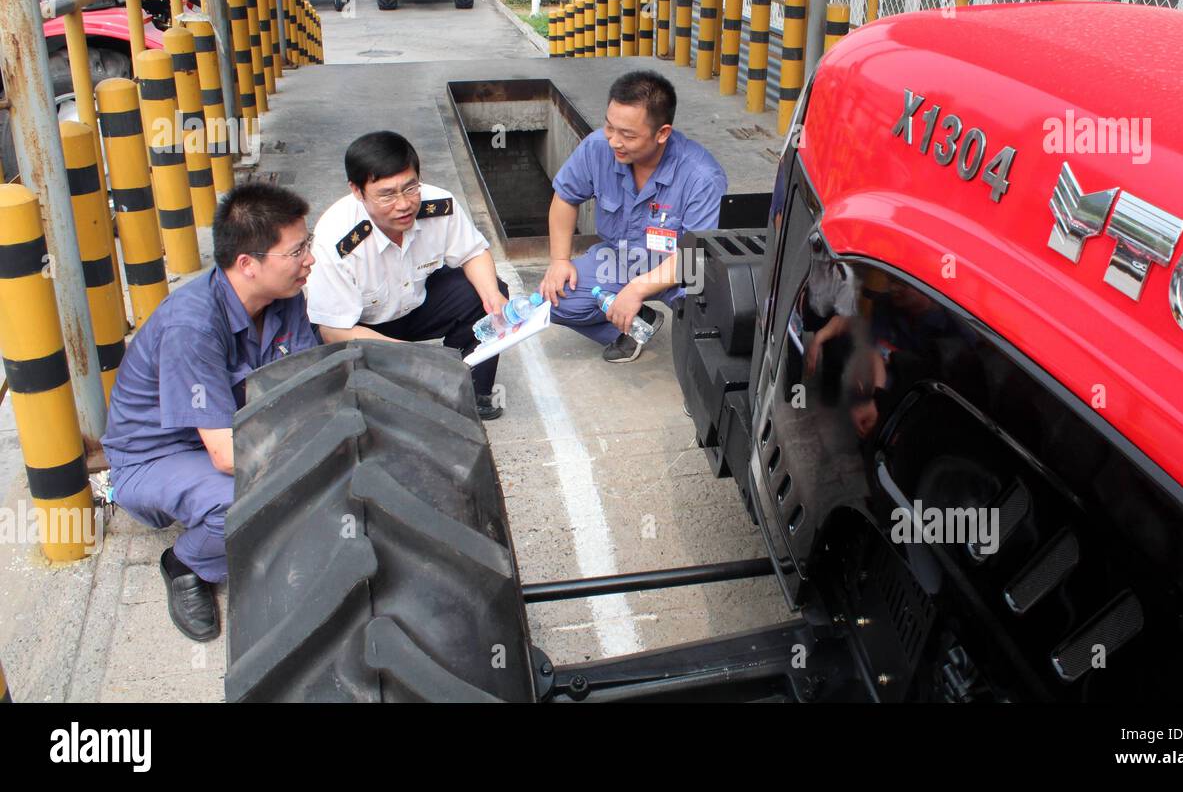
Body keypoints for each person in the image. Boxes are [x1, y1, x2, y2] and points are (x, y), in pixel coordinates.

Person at [102, 182, 319, 642]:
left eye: (308, 244)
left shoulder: (287, 296)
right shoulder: (193, 324)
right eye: (297, 250)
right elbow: (224, 455)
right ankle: (186, 564)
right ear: (247, 264)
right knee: (239, 498)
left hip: (228, 429)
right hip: (156, 455)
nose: (309, 259)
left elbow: (305, 383)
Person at [305, 130, 509, 418]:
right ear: (357, 191)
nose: (403, 204)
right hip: (360, 327)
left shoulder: (439, 206)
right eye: (386, 194)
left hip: (415, 305)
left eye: (410, 188)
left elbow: (473, 253)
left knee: (486, 294)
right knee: (370, 412)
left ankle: (470, 393)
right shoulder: (337, 239)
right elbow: (333, 330)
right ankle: (418, 382)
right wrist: (417, 359)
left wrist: (494, 300)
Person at [540, 70, 727, 362]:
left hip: (680, 273)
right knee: (553, 299)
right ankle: (634, 326)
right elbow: (565, 198)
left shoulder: (701, 176)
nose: (614, 141)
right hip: (620, 259)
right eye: (609, 127)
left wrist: (636, 289)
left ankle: (679, 338)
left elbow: (693, 257)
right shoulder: (597, 148)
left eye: (628, 135)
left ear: (662, 133)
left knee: (705, 339)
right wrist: (559, 261)